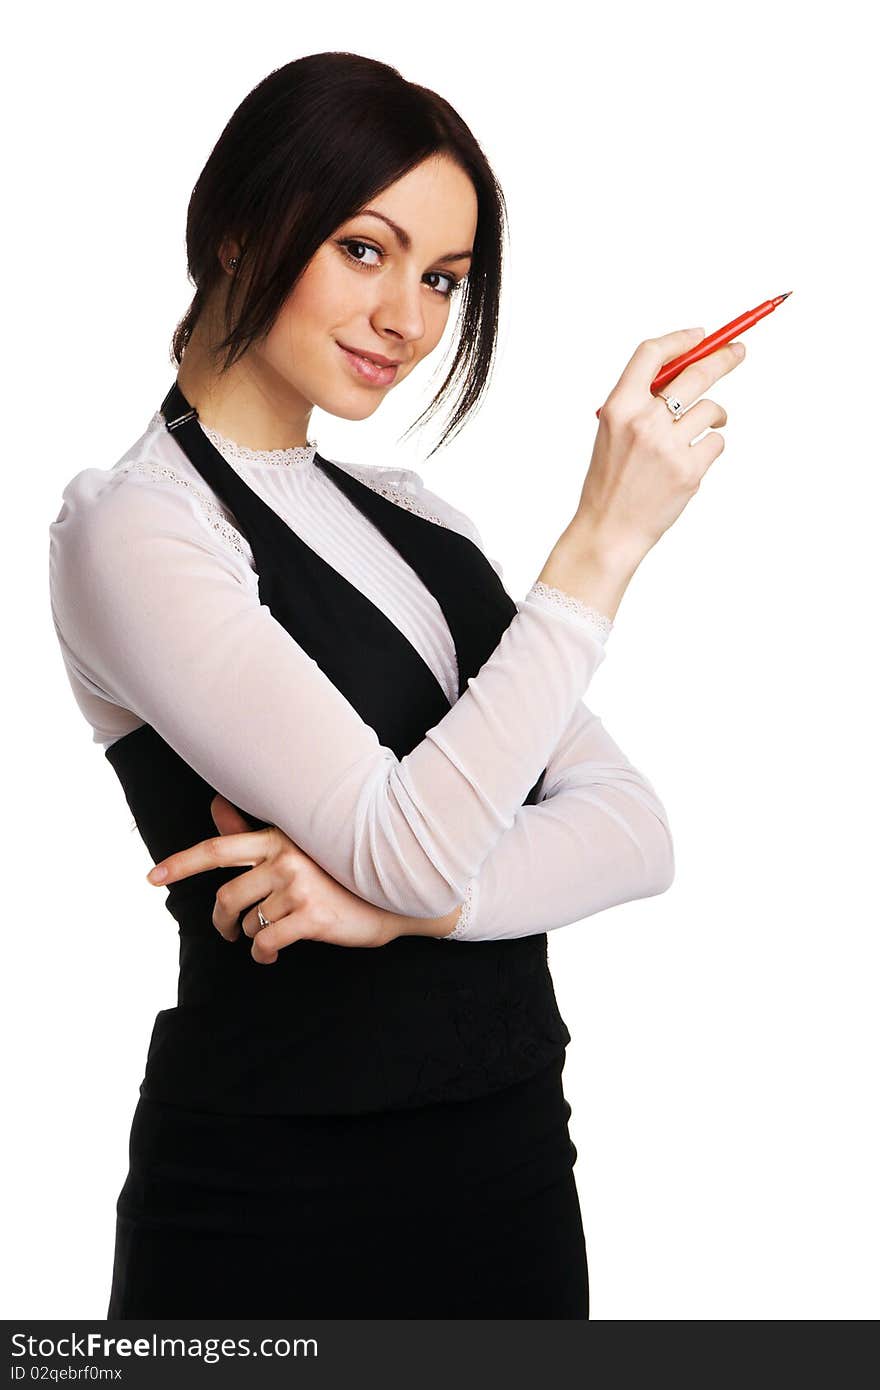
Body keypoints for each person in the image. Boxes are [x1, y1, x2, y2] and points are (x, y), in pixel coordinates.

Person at [47, 51, 745, 1319]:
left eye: (441, 280)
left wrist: (386, 908)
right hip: (274, 1199)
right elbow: (411, 845)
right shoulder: (137, 529)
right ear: (245, 226)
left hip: (513, 1163)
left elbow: (635, 834)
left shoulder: (417, 520)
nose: (409, 322)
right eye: (366, 251)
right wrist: (602, 544)